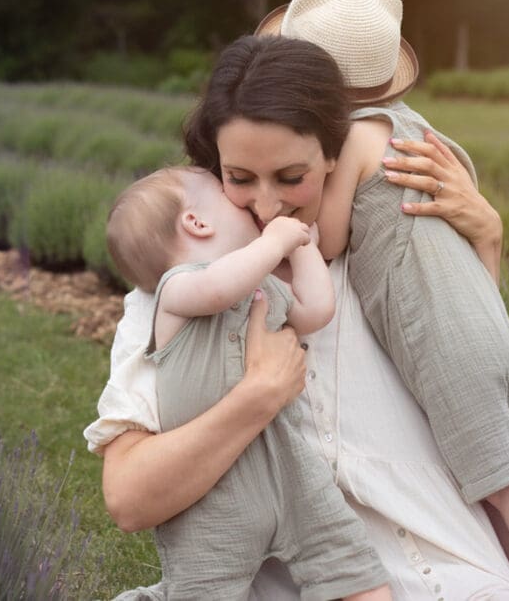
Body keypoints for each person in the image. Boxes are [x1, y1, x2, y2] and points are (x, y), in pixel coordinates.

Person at [85, 34, 509, 599]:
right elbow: (129, 500)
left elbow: (471, 389)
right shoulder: (175, 301)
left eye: (290, 177)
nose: (267, 205)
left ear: (334, 154)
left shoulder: (384, 259)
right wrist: (257, 396)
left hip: (446, 572)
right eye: (239, 178)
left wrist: (486, 244)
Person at [249, 0, 509, 599]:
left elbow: (331, 238)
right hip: (478, 320)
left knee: (506, 485)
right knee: (492, 483)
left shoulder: (353, 136)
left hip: (442, 343)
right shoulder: (412, 127)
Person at [105, 164, 390, 600]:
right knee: (203, 590)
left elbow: (315, 310)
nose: (258, 211)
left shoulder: (263, 286)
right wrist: (274, 242)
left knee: (351, 562)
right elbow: (219, 289)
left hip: (287, 467)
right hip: (214, 496)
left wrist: (303, 247)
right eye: (228, 195)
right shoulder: (177, 290)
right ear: (196, 222)